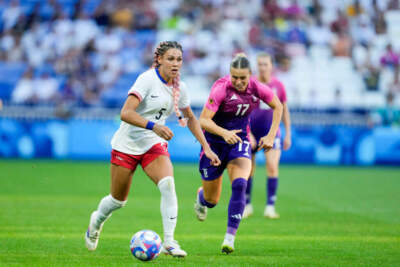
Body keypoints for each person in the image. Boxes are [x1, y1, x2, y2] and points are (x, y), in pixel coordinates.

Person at [85, 41, 221, 257]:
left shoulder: (180, 87)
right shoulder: (147, 80)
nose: (175, 64)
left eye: (179, 59)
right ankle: (96, 221)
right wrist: (154, 126)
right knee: (118, 200)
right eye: (170, 59)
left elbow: (191, 118)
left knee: (168, 184)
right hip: (127, 145)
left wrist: (207, 148)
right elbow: (126, 113)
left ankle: (169, 242)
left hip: (153, 145)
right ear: (159, 59)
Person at [194, 53, 283, 254]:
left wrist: (270, 136)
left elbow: (278, 105)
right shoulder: (221, 89)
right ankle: (201, 198)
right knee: (212, 201)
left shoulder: (257, 88)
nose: (239, 81)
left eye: (243, 78)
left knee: (240, 184)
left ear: (250, 75)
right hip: (214, 143)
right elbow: (204, 120)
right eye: (235, 77)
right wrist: (224, 133)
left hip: (240, 141)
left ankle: (229, 239)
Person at [243, 53, 292, 219]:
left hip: (271, 132)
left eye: (265, 64)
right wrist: (248, 132)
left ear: (271, 66)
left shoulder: (278, 85)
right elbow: (243, 110)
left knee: (272, 166)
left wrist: (288, 134)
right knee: (248, 169)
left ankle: (270, 207)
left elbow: (284, 109)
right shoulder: (250, 84)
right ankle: (247, 205)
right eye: (260, 64)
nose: (262, 67)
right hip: (252, 132)